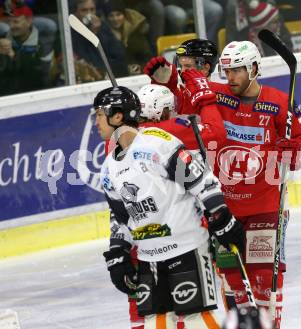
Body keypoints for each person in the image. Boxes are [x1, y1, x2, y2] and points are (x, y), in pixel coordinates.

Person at [144, 39, 301, 328]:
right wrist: (169, 80)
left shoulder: (281, 103)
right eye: (226, 70)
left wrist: (290, 149)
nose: (230, 77)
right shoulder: (218, 96)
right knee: (233, 284)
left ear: (254, 68)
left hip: (266, 209)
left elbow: (298, 155)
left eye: (237, 71)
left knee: (264, 285)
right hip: (224, 211)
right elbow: (182, 104)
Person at [94, 85, 245, 328]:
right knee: (157, 322)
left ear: (118, 116)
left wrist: (221, 215)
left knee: (197, 319)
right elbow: (121, 218)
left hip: (187, 247)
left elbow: (200, 179)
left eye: (99, 114)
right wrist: (118, 253)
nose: (96, 121)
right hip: (149, 254)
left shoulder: (158, 144)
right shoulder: (108, 168)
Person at [0, 4, 53, 97]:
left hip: (35, 97)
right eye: (9, 21)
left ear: (29, 22)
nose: (11, 26)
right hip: (3, 98)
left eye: (16, 22)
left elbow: (42, 80)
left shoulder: (43, 43)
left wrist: (14, 56)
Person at [70, 0, 127, 82]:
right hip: (88, 76)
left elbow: (118, 53)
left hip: (107, 74)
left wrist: (97, 33)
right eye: (84, 10)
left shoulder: (102, 27)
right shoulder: (71, 31)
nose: (89, 13)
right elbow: (84, 56)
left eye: (92, 9)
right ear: (75, 13)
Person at [103, 0, 152, 75]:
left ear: (124, 16)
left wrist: (140, 67)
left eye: (118, 14)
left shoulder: (135, 31)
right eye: (111, 16)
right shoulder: (104, 34)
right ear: (107, 18)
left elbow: (146, 56)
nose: (115, 19)